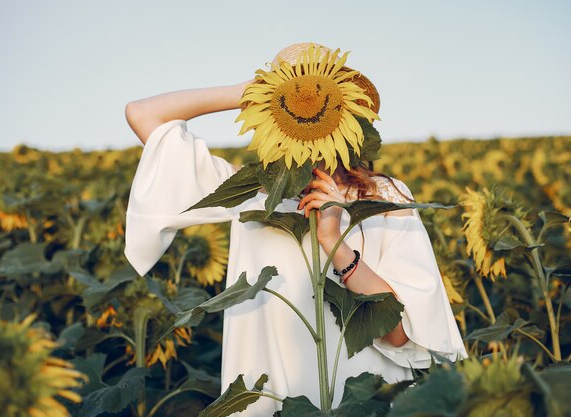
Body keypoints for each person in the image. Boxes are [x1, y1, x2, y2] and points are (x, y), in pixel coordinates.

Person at [124, 43, 467, 415]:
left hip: (367, 406)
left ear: (350, 117)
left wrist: (334, 242)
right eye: (292, 101)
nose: (308, 112)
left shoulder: (384, 197)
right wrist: (254, 93)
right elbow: (142, 114)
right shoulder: (251, 195)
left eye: (322, 100)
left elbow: (402, 335)